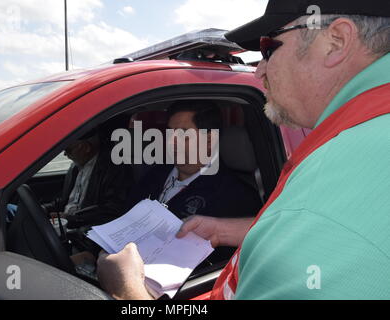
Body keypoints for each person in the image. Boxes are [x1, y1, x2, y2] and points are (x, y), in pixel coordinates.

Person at [96, 0, 390, 300]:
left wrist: (127, 290)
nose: (258, 70)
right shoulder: (357, 150)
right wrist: (233, 231)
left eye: (268, 49)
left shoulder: (328, 195)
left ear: (335, 42)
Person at [126, 100, 262, 220]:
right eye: (170, 132)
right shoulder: (155, 173)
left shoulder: (236, 197)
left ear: (209, 140)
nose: (171, 141)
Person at [44, 133, 133, 229]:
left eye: (68, 150)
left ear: (86, 148)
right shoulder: (75, 168)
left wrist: (72, 219)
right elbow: (66, 200)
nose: (65, 154)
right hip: (68, 224)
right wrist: (46, 209)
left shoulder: (113, 169)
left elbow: (111, 210)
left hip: (85, 228)